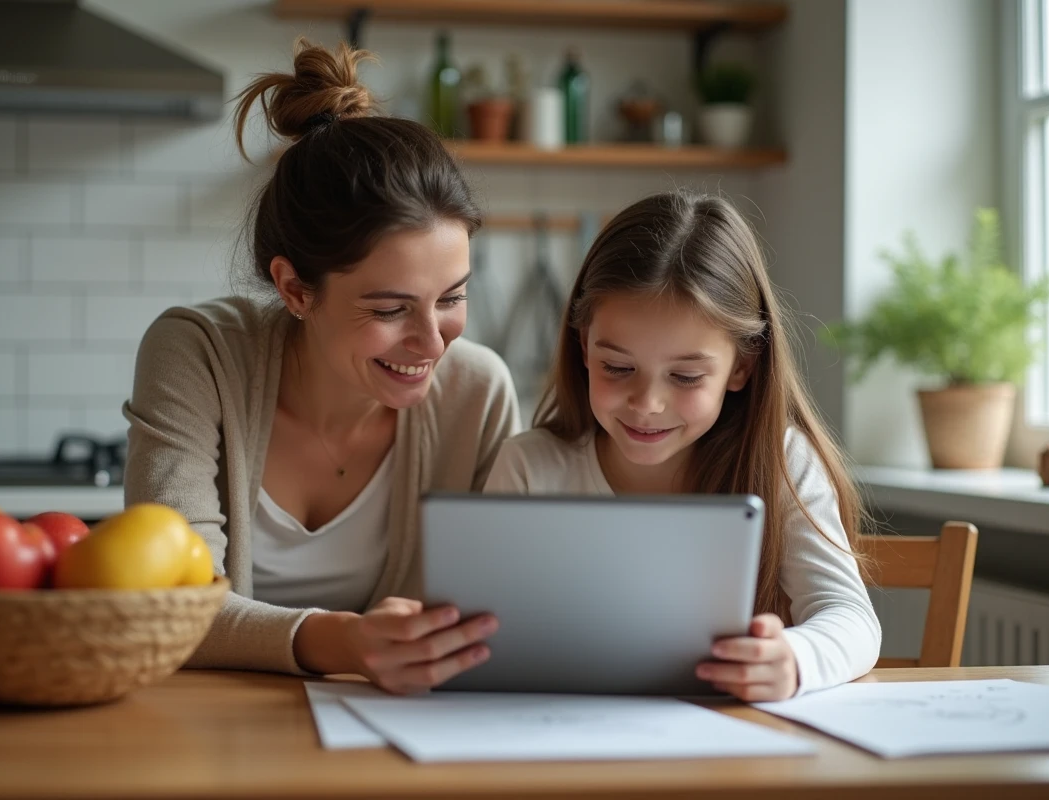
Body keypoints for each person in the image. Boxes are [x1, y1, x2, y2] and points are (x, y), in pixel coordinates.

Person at [123, 40, 520, 695]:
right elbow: (170, 606)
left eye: (451, 298)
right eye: (391, 308)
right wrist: (347, 642)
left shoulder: (478, 393)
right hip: (215, 736)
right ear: (296, 289)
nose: (431, 341)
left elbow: (512, 611)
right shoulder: (197, 356)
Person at [485, 191, 881, 701]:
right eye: (618, 368)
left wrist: (793, 660)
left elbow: (850, 618)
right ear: (583, 346)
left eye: (686, 376)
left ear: (741, 366)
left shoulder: (781, 461)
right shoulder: (528, 468)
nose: (647, 402)